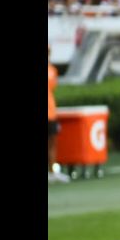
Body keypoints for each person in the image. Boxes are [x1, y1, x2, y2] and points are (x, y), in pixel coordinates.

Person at [48, 45, 70, 184]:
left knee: (52, 143)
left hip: (50, 112)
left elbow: (52, 88)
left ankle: (52, 172)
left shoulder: (52, 70)